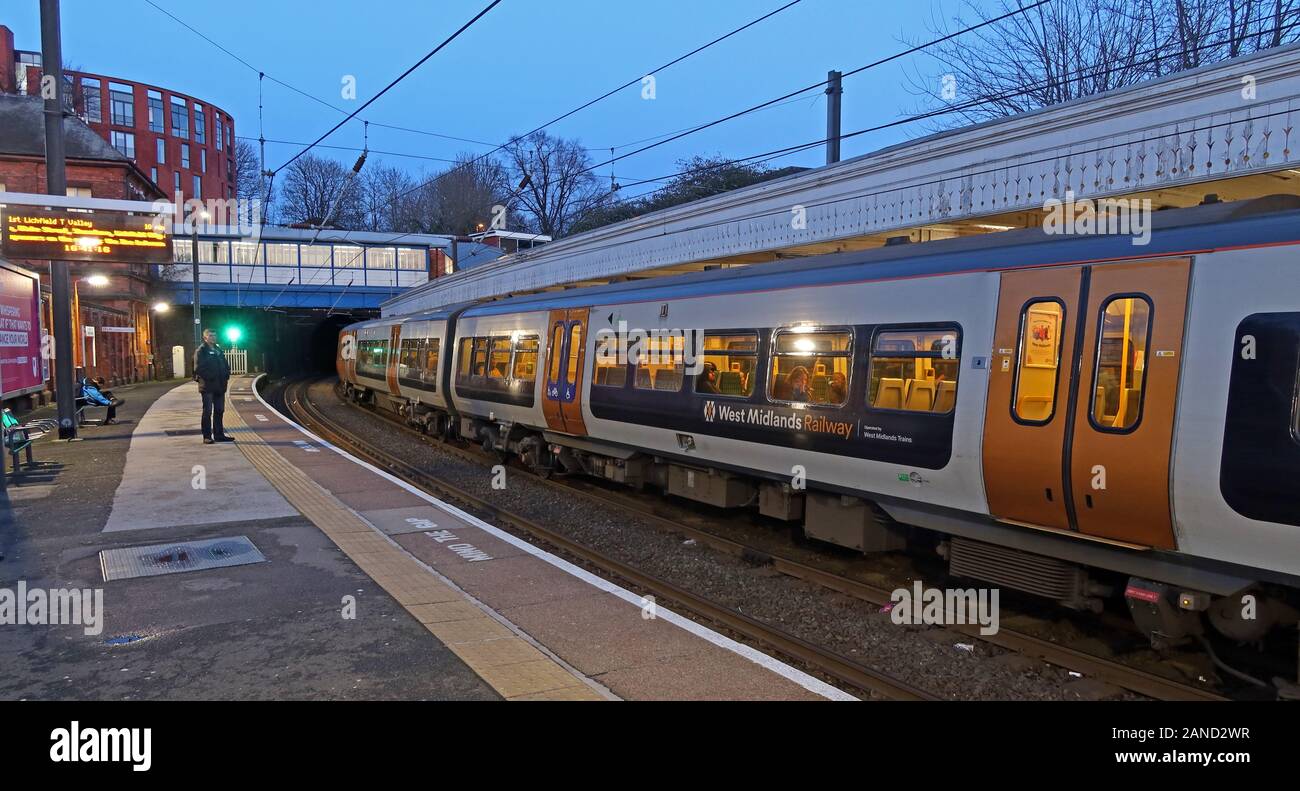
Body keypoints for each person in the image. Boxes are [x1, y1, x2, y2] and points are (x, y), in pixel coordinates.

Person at [193, 328, 233, 444]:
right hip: (207, 386)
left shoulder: (218, 350)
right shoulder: (201, 351)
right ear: (205, 337)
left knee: (220, 410)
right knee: (207, 411)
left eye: (214, 335)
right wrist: (212, 377)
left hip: (220, 386)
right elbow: (198, 368)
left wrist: (226, 374)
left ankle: (219, 434)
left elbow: (225, 364)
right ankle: (207, 436)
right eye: (210, 336)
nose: (213, 338)